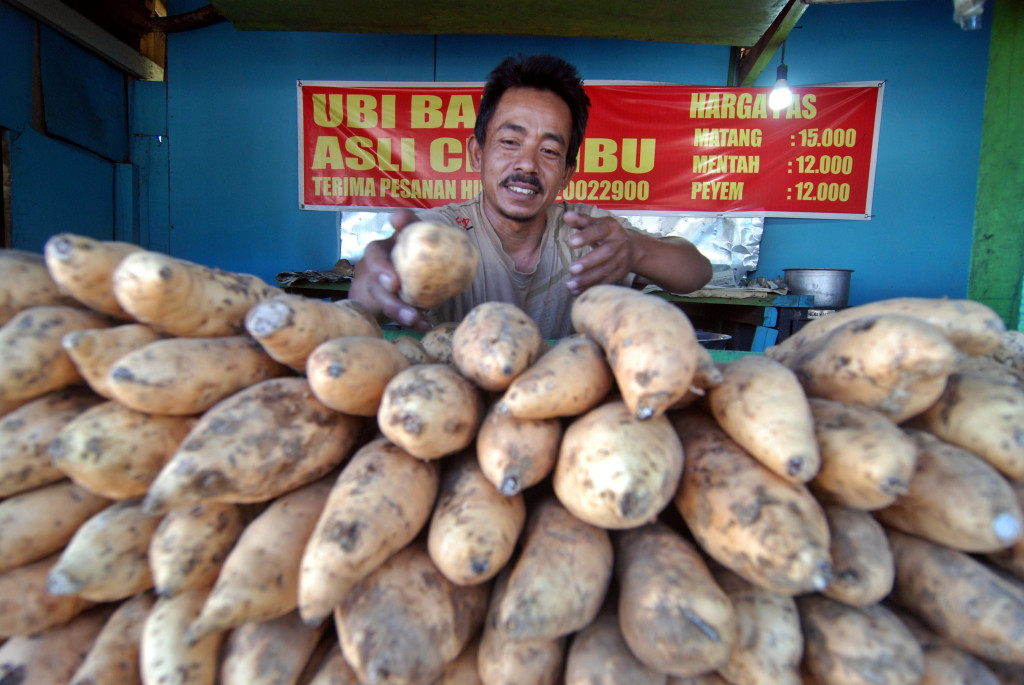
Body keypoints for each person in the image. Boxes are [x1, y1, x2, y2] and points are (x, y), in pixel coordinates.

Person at [349, 53, 712, 340]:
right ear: (477, 153)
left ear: (566, 173)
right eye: (510, 142)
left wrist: (635, 250)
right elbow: (370, 286)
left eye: (549, 151)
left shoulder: (587, 233)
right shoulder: (442, 233)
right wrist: (379, 274)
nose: (527, 164)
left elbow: (696, 272)